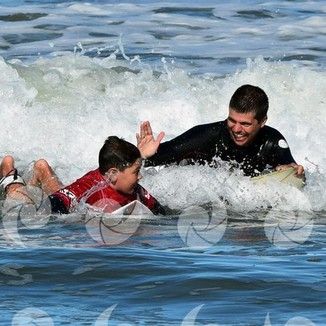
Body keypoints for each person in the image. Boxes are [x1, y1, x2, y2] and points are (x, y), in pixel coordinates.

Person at [137, 84, 304, 177]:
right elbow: (158, 158)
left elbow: (288, 165)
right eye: (232, 120)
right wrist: (144, 155)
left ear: (262, 122)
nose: (237, 129)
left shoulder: (272, 140)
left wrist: (293, 171)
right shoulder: (209, 135)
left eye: (245, 124)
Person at [0, 136, 165, 215]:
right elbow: (54, 206)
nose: (140, 177)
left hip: (75, 194)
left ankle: (42, 169)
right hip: (66, 199)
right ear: (113, 174)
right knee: (20, 202)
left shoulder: (133, 189)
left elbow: (162, 214)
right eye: (136, 172)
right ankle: (8, 170)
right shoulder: (94, 189)